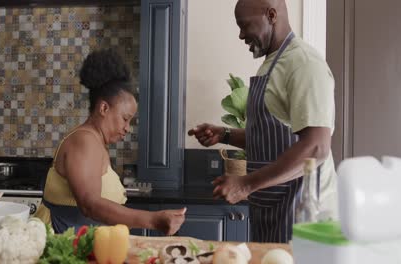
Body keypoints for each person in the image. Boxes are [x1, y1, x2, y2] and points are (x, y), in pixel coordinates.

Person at [188, 0, 338, 243]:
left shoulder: (303, 64)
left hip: (305, 218)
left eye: (244, 25)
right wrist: (225, 134)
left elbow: (316, 147)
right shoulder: (272, 64)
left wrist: (245, 185)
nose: (240, 34)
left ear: (271, 15)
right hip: (274, 209)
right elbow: (276, 138)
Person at [35, 48, 186, 235]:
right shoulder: (85, 141)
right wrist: (152, 220)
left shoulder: (94, 142)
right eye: (125, 118)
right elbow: (89, 204)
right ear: (104, 108)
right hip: (67, 248)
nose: (127, 128)